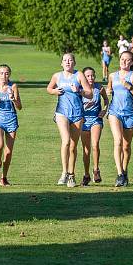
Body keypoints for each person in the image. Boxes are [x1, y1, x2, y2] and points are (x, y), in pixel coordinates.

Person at [47, 53, 93, 188]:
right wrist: (54, 91)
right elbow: (49, 88)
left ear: (74, 63)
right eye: (65, 60)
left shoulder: (79, 75)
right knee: (66, 141)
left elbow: (89, 93)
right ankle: (64, 172)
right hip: (62, 112)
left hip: (77, 113)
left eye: (70, 60)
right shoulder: (57, 76)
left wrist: (79, 90)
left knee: (73, 146)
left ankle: (71, 175)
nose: (68, 62)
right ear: (61, 63)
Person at [107, 50, 133, 187]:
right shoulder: (112, 76)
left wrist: (130, 87)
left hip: (130, 114)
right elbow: (109, 90)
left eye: (127, 60)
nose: (124, 61)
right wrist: (108, 91)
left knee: (126, 145)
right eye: (122, 59)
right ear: (119, 60)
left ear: (132, 62)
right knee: (117, 141)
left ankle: (124, 170)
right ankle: (120, 174)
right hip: (115, 112)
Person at [80, 67, 109, 186]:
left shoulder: (99, 88)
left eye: (92, 75)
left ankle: (96, 170)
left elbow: (107, 101)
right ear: (84, 78)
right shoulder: (80, 89)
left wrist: (104, 110)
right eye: (88, 76)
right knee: (86, 149)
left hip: (96, 119)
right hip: (83, 120)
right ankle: (86, 175)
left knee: (95, 144)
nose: (90, 78)